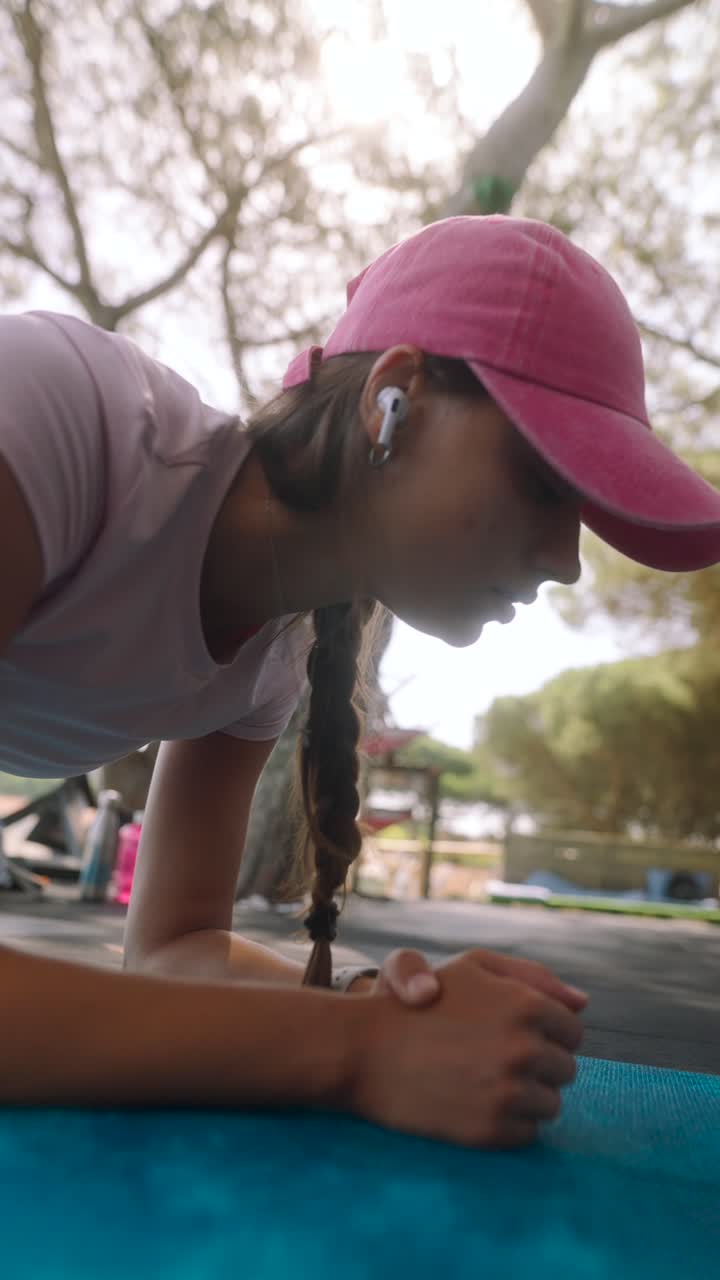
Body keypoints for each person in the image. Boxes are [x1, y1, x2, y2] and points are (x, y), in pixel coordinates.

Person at [1, 215, 719, 1149]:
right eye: (547, 483)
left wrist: (385, 1009)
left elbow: (171, 950)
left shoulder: (268, 662)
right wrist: (354, 1053)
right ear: (395, 399)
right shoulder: (63, 416)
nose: (567, 562)